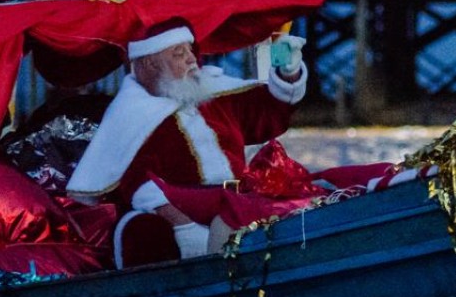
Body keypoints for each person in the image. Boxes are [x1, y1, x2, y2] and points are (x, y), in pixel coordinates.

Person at [67, 18, 307, 265]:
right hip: (174, 213)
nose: (192, 59)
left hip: (232, 205)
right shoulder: (130, 114)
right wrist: (184, 226)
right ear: (150, 63)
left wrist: (287, 69)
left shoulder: (215, 94)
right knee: (143, 232)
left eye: (190, 50)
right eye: (178, 53)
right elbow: (137, 182)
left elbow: (269, 111)